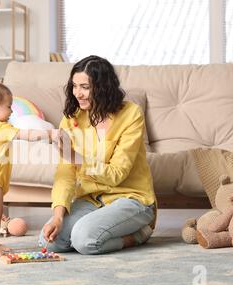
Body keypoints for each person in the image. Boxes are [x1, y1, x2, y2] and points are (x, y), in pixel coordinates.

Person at [39, 55, 157, 255]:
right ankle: (92, 227)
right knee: (48, 241)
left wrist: (75, 156)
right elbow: (65, 174)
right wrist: (58, 215)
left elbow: (117, 174)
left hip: (130, 197)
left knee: (84, 241)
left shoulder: (131, 114)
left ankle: (138, 235)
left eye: (85, 87)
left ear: (103, 87)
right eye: (74, 86)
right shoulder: (71, 120)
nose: (78, 93)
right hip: (92, 199)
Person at [0, 82, 58, 257]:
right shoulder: (0, 128)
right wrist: (49, 134)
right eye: (9, 106)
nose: (11, 111)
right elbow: (27, 135)